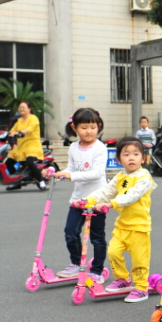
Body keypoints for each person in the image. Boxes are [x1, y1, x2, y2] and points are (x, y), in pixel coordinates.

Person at [79, 137, 156, 303]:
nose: (131, 158)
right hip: (122, 226)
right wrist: (88, 200)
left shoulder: (144, 177)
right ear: (119, 160)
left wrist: (110, 204)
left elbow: (131, 196)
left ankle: (141, 287)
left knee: (139, 260)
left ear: (143, 158)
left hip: (139, 227)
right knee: (113, 252)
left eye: (136, 154)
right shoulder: (120, 176)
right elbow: (106, 191)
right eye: (126, 154)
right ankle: (122, 279)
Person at [44, 108, 109, 283]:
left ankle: (97, 270)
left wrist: (70, 175)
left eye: (93, 127)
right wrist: (57, 174)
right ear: (74, 128)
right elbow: (71, 169)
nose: (89, 131)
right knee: (70, 232)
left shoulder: (100, 148)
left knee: (97, 237)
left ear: (98, 126)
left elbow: (96, 173)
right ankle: (76, 263)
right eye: (84, 127)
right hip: (78, 199)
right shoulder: (73, 147)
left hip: (97, 200)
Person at [6, 100, 47, 190]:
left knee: (30, 163)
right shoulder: (19, 121)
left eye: (23, 107)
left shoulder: (33, 118)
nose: (21, 109)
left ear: (29, 109)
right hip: (21, 146)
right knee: (8, 163)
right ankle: (16, 182)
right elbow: (12, 131)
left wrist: (19, 132)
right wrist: (4, 134)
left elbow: (30, 129)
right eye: (20, 108)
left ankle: (41, 181)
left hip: (32, 145)